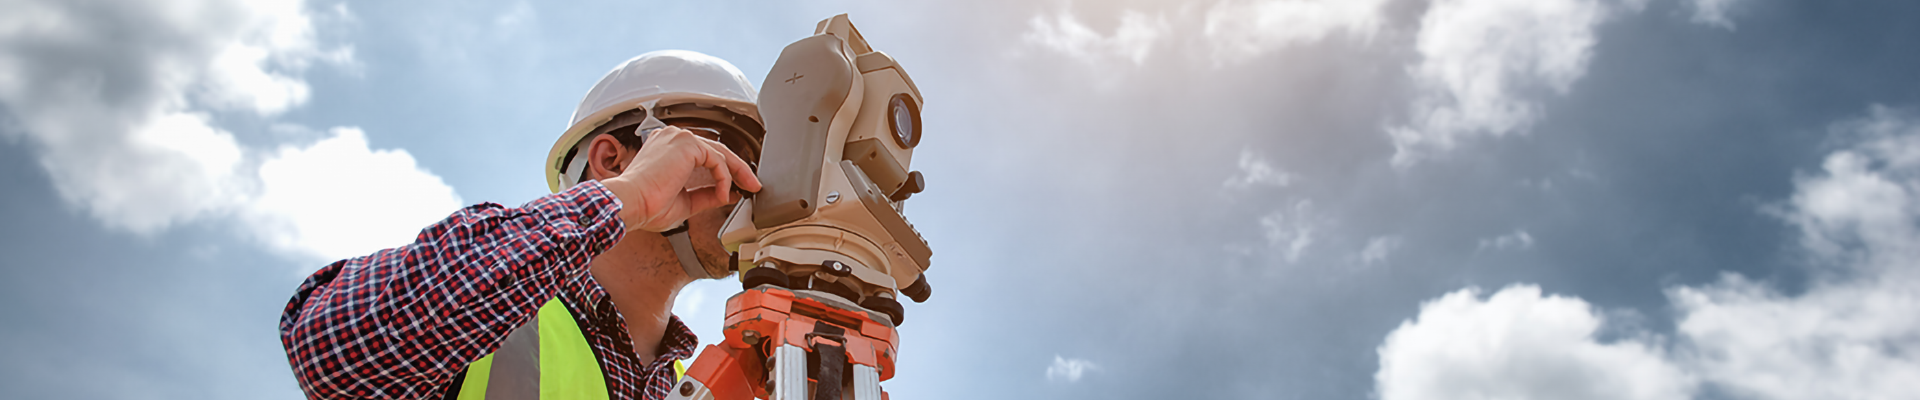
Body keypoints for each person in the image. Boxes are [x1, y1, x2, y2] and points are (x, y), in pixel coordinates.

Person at [279, 50, 765, 400]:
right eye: (726, 149)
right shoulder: (489, 327)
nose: (748, 180)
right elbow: (334, 352)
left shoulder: (701, 384)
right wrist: (626, 200)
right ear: (612, 159)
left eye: (760, 164)